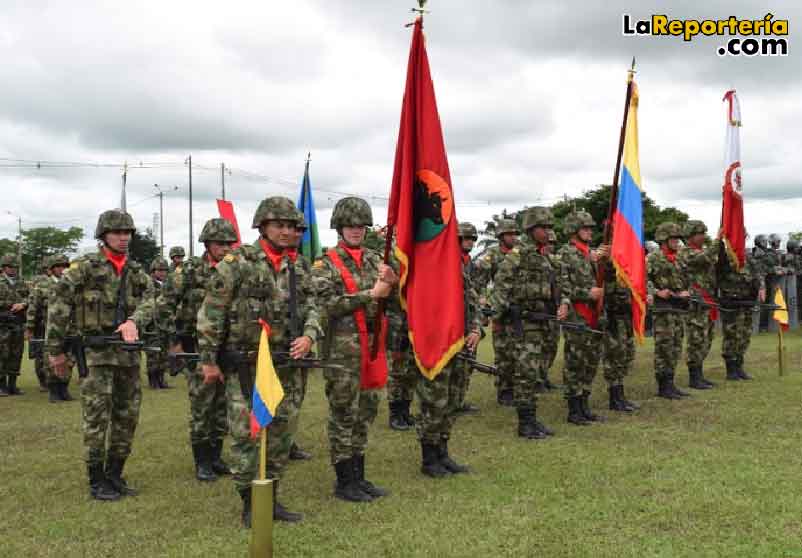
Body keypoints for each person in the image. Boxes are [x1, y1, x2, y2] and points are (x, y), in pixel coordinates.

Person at [197, 196, 321, 526]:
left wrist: (309, 334)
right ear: (263, 227)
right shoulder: (238, 263)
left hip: (285, 366)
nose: (286, 232)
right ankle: (251, 503)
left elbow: (312, 306)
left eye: (292, 227)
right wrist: (209, 360)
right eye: (279, 225)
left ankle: (272, 497)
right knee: (247, 436)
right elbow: (211, 312)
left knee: (281, 436)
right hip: (245, 366)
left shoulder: (298, 266)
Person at [47, 209, 153, 501]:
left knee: (127, 416)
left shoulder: (134, 269)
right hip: (94, 355)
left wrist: (135, 320)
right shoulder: (84, 268)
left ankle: (115, 475)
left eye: (128, 233)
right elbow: (58, 307)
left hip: (127, 356)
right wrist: (55, 352)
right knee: (96, 418)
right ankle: (96, 480)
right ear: (103, 235)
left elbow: (150, 299)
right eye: (118, 233)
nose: (124, 238)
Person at [312, 196, 398, 502]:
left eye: (361, 225)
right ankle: (343, 481)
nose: (356, 230)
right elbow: (326, 305)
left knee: (366, 411)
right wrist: (369, 294)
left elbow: (393, 298)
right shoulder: (325, 264)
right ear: (338, 227)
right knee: (343, 413)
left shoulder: (377, 260)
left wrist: (393, 282)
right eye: (350, 225)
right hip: (342, 350)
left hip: (373, 345)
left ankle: (359, 477)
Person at [159, 219, 237, 481]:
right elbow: (164, 305)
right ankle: (202, 461)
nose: (225, 248)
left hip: (228, 346)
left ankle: (216, 456)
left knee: (223, 404)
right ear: (207, 244)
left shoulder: (236, 269)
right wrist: (174, 341)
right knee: (202, 404)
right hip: (196, 346)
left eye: (229, 243)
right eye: (219, 243)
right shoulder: (189, 271)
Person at [415, 223, 481, 475]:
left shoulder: (459, 269)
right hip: (437, 344)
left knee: (453, 399)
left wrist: (475, 329)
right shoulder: (428, 269)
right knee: (434, 400)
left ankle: (443, 451)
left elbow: (472, 301)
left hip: (461, 343)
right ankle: (429, 458)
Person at [490, 207, 558, 438]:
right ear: (531, 229)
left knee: (535, 371)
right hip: (522, 324)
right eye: (543, 228)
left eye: (550, 228)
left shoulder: (543, 256)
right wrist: (497, 320)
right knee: (525, 372)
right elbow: (500, 289)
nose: (548, 232)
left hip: (541, 323)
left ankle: (532, 418)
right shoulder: (516, 256)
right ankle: (525, 423)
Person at [556, 211, 609, 425]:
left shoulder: (591, 254)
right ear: (574, 230)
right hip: (577, 315)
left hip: (595, 315)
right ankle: (574, 408)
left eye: (590, 228)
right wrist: (586, 293)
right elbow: (561, 286)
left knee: (591, 361)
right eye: (584, 228)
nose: (589, 231)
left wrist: (604, 259)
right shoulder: (566, 254)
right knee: (575, 361)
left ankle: (585, 403)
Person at [474, 218, 520, 405]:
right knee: (503, 352)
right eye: (509, 234)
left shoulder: (520, 253)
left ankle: (517, 387)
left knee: (519, 351)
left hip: (520, 309)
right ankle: (504, 390)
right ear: (501, 236)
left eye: (515, 233)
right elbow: (479, 282)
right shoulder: (492, 255)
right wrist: (484, 301)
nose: (513, 237)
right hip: (500, 310)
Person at [647, 222, 691, 400]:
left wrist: (687, 291)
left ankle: (671, 382)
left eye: (677, 238)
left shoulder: (679, 257)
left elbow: (686, 278)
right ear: (663, 239)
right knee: (663, 347)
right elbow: (643, 279)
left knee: (676, 346)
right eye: (673, 238)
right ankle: (663, 385)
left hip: (678, 308)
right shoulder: (653, 258)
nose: (676, 241)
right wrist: (657, 291)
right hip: (662, 308)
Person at [678, 220, 720, 390]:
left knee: (706, 338)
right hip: (695, 303)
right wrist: (718, 239)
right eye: (699, 234)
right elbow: (706, 257)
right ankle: (694, 377)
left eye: (703, 233)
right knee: (696, 338)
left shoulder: (701, 250)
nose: (703, 236)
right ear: (690, 237)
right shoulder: (686, 253)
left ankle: (700, 374)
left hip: (707, 301)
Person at [26, 254, 74, 402]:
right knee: (51, 359)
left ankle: (64, 388)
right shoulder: (42, 286)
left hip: (71, 328)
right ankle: (53, 391)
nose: (62, 269)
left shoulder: (73, 284)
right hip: (50, 327)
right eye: (58, 266)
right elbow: (33, 307)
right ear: (51, 269)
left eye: (65, 266)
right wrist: (30, 327)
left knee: (69, 359)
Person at [719, 255, 765, 380]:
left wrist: (761, 287)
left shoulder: (749, 258)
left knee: (745, 335)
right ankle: (731, 370)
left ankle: (739, 367)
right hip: (732, 302)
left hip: (747, 303)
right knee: (732, 335)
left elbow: (758, 273)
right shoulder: (725, 258)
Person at [453, 222, 481, 415]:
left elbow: (474, 292)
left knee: (468, 362)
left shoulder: (469, 261)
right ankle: (450, 402)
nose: (470, 242)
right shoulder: (451, 260)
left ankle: (459, 400)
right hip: (453, 320)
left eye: (472, 239)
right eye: (466, 238)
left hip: (469, 317)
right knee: (454, 364)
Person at [0, 254, 28, 396]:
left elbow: (30, 297)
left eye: (15, 267)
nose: (13, 269)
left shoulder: (21, 282)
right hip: (3, 324)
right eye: (10, 267)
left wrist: (23, 304)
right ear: (4, 267)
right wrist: (11, 305)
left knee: (17, 354)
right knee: (2, 354)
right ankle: (1, 386)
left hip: (18, 323)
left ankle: (12, 385)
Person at [145, 257, 171, 390]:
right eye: (159, 270)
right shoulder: (148, 284)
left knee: (164, 352)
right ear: (153, 271)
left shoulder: (168, 284)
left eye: (164, 270)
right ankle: (153, 379)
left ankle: (161, 378)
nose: (162, 273)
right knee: (153, 352)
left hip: (166, 323)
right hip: (152, 323)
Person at [26, 259, 52, 392]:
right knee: (41, 354)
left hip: (57, 325)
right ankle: (44, 381)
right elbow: (33, 306)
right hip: (42, 325)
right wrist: (30, 326)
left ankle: (55, 381)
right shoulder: (40, 284)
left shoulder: (63, 281)